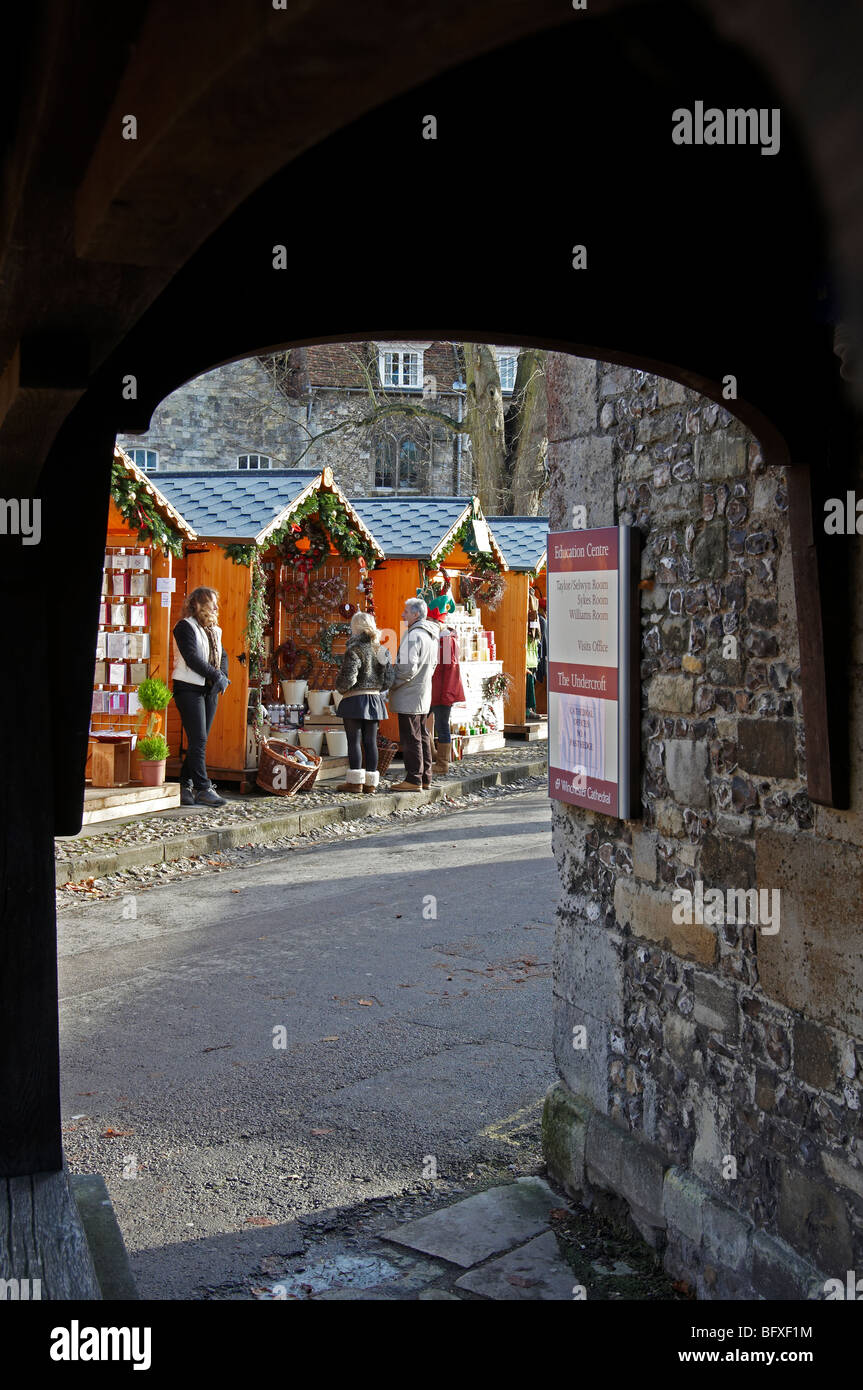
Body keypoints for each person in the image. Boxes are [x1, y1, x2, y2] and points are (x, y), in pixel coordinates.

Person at [172, 586, 230, 807]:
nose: (216, 606)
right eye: (211, 602)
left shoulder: (215, 629)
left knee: (199, 740)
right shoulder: (184, 627)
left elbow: (222, 654)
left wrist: (223, 676)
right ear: (198, 604)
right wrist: (217, 675)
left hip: (209, 689)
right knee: (199, 740)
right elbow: (192, 658)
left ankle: (184, 786)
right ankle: (203, 788)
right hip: (188, 688)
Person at [333, 610, 394, 794]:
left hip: (354, 700)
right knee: (370, 741)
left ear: (355, 628)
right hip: (374, 700)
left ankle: (355, 783)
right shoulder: (382, 650)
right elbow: (389, 679)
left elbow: (348, 679)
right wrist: (377, 689)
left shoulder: (354, 650)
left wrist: (340, 688)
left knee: (354, 741)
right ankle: (371, 783)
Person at [388, 596, 440, 792]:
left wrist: (392, 683)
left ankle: (413, 779)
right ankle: (425, 777)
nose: (403, 614)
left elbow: (406, 669)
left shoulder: (413, 635)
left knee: (411, 738)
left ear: (416, 614)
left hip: (409, 694)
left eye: (406, 611)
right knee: (422, 735)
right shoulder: (430, 636)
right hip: (422, 692)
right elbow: (433, 666)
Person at [427, 593, 465, 777]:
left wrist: (446, 693)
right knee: (430, 724)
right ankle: (434, 756)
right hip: (436, 689)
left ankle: (442, 763)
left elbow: (449, 668)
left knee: (441, 725)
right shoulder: (445, 637)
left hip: (441, 690)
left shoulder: (446, 639)